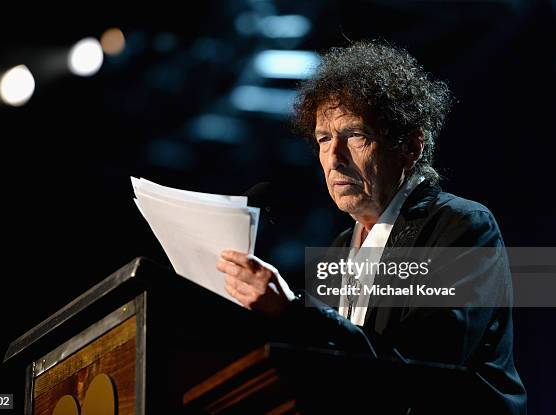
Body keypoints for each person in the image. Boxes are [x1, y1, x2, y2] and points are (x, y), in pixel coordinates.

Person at [216, 40, 526, 414]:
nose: (334, 157)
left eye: (355, 136)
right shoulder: (338, 249)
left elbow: (424, 366)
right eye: (324, 139)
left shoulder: (461, 227)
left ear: (410, 147)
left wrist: (295, 313)